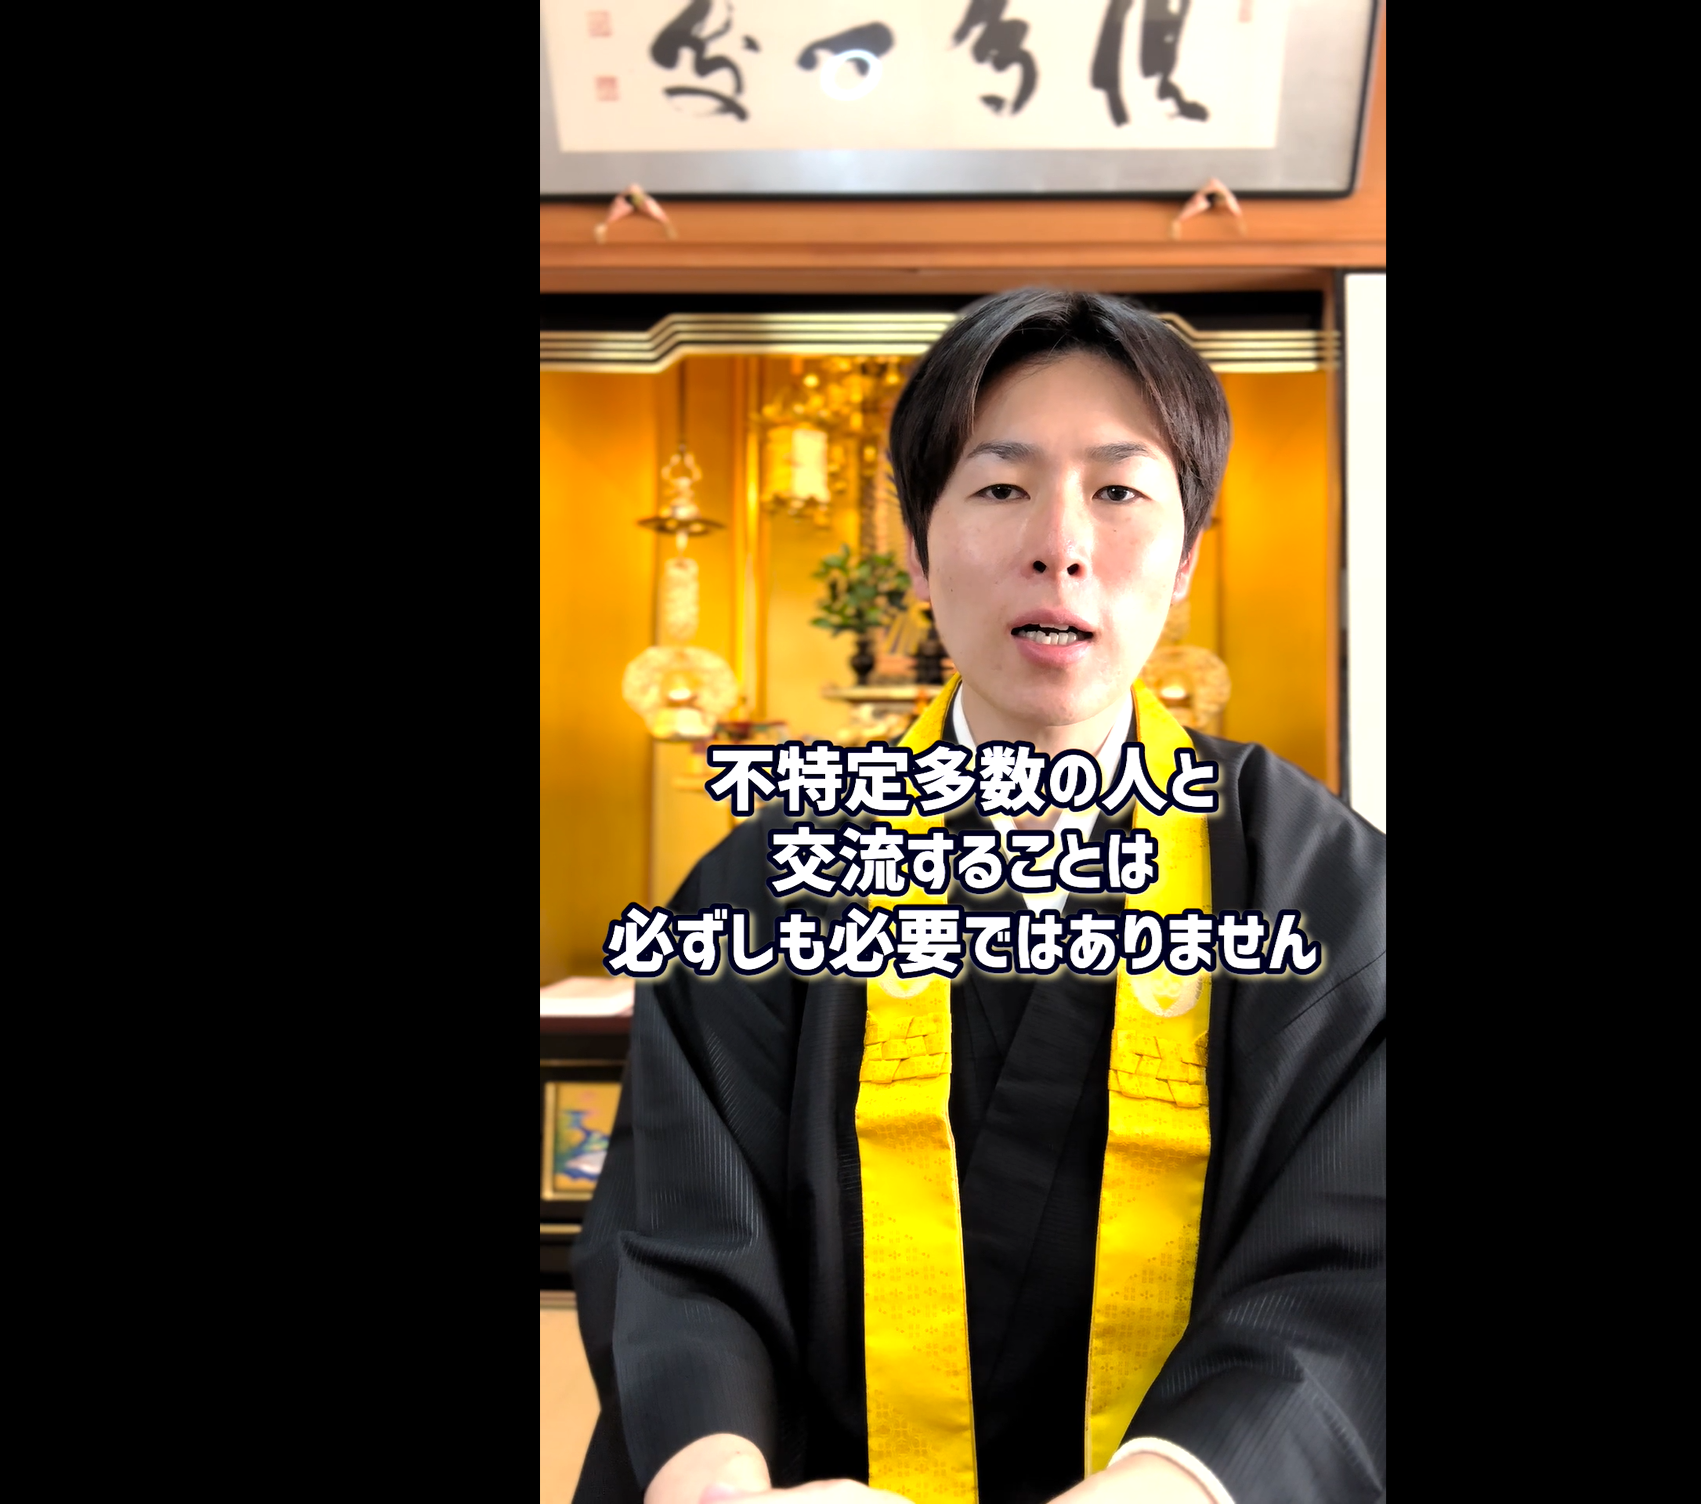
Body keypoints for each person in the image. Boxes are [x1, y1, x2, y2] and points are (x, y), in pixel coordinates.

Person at [573, 288, 1386, 1504]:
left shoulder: (1325, 892)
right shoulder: (765, 882)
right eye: (1001, 488)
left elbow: (1352, 1270)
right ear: (915, 546)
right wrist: (723, 1481)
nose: (1060, 544)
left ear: (1186, 560)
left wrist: (1172, 1483)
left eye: (1120, 491)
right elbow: (677, 1242)